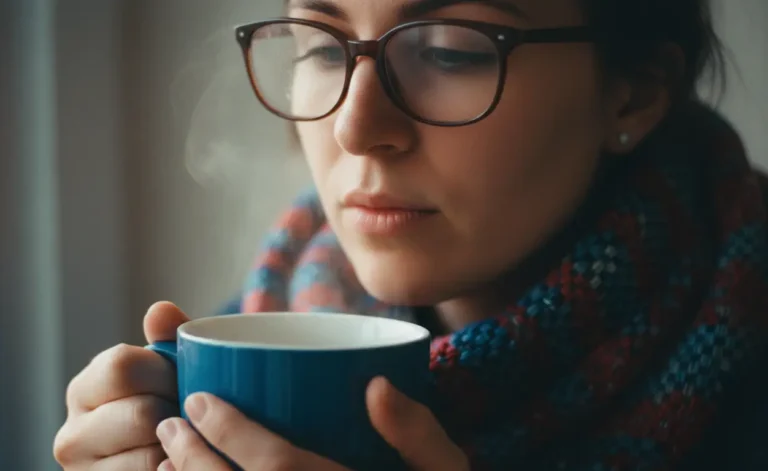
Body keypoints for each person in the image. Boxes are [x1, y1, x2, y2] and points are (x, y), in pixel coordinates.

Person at [54, 0, 768, 469]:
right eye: (325, 49)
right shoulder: (264, 328)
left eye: (450, 51)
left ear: (634, 92)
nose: (355, 127)